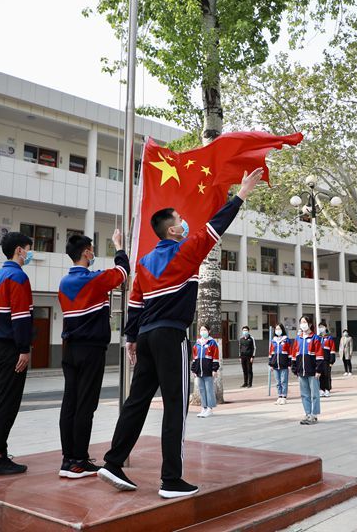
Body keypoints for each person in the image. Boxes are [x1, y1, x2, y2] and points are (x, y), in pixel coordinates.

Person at [98, 168, 264, 498]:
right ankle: (171, 479)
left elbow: (135, 304)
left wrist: (131, 339)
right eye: (180, 219)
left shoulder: (143, 263)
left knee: (137, 401)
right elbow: (217, 227)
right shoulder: (186, 251)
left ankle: (113, 462)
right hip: (171, 336)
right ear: (173, 230)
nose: (185, 222)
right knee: (176, 404)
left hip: (145, 337)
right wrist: (242, 193)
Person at [57, 229, 129, 478]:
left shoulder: (64, 282)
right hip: (91, 349)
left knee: (70, 403)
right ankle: (79, 461)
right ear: (86, 253)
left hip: (69, 349)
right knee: (86, 405)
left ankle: (68, 459)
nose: (94, 253)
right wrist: (118, 246)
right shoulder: (92, 279)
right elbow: (122, 272)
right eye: (93, 249)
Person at [0, 232, 34, 476]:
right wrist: (24, 348)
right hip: (11, 347)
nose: (30, 253)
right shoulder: (18, 277)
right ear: (20, 250)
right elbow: (21, 317)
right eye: (29, 248)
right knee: (7, 402)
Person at [292, 315, 324, 424]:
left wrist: (318, 370)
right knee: (304, 394)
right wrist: (294, 368)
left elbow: (319, 355)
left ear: (310, 324)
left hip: (313, 371)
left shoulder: (315, 338)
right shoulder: (298, 339)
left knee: (314, 394)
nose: (303, 324)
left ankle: (314, 415)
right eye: (301, 322)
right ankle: (307, 413)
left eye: (304, 322)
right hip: (301, 371)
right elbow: (294, 354)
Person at [191, 325, 220, 418]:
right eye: (201, 330)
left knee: (209, 390)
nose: (203, 331)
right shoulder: (197, 344)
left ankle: (210, 408)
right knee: (202, 390)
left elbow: (215, 357)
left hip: (208, 370)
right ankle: (204, 407)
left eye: (205, 330)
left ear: (209, 331)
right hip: (199, 371)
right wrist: (194, 370)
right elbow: (195, 358)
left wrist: (214, 369)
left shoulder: (212, 343)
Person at [269, 324, 293, 404]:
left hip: (284, 364)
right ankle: (279, 396)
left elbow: (290, 353)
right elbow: (271, 353)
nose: (277, 330)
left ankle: (284, 397)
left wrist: (289, 364)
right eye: (276, 329)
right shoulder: (273, 340)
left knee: (283, 381)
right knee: (277, 382)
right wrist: (271, 364)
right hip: (275, 364)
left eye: (279, 328)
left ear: (282, 330)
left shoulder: (286, 340)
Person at [318, 323, 337, 397]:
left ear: (325, 327)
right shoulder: (318, 337)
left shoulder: (329, 338)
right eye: (319, 327)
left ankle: (327, 389)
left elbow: (332, 349)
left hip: (327, 359)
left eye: (322, 327)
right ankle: (321, 389)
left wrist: (332, 360)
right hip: (319, 359)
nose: (321, 328)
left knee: (327, 375)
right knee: (320, 375)